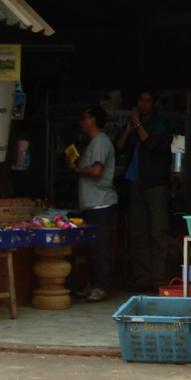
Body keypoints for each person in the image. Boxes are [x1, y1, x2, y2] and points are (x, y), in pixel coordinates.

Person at [115, 89, 173, 290]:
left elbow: (152, 144)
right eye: (141, 100)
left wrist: (138, 124)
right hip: (135, 182)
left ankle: (158, 280)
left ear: (155, 104)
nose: (143, 105)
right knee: (138, 233)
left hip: (155, 183)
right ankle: (142, 279)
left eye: (148, 101)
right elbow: (120, 146)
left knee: (158, 232)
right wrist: (130, 127)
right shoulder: (133, 125)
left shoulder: (160, 124)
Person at [65, 105, 117, 301]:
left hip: (101, 204)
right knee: (90, 248)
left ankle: (101, 286)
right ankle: (93, 284)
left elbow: (96, 171)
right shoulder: (94, 142)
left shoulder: (100, 142)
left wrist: (76, 170)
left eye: (84, 117)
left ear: (93, 120)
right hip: (91, 203)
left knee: (99, 248)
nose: (81, 121)